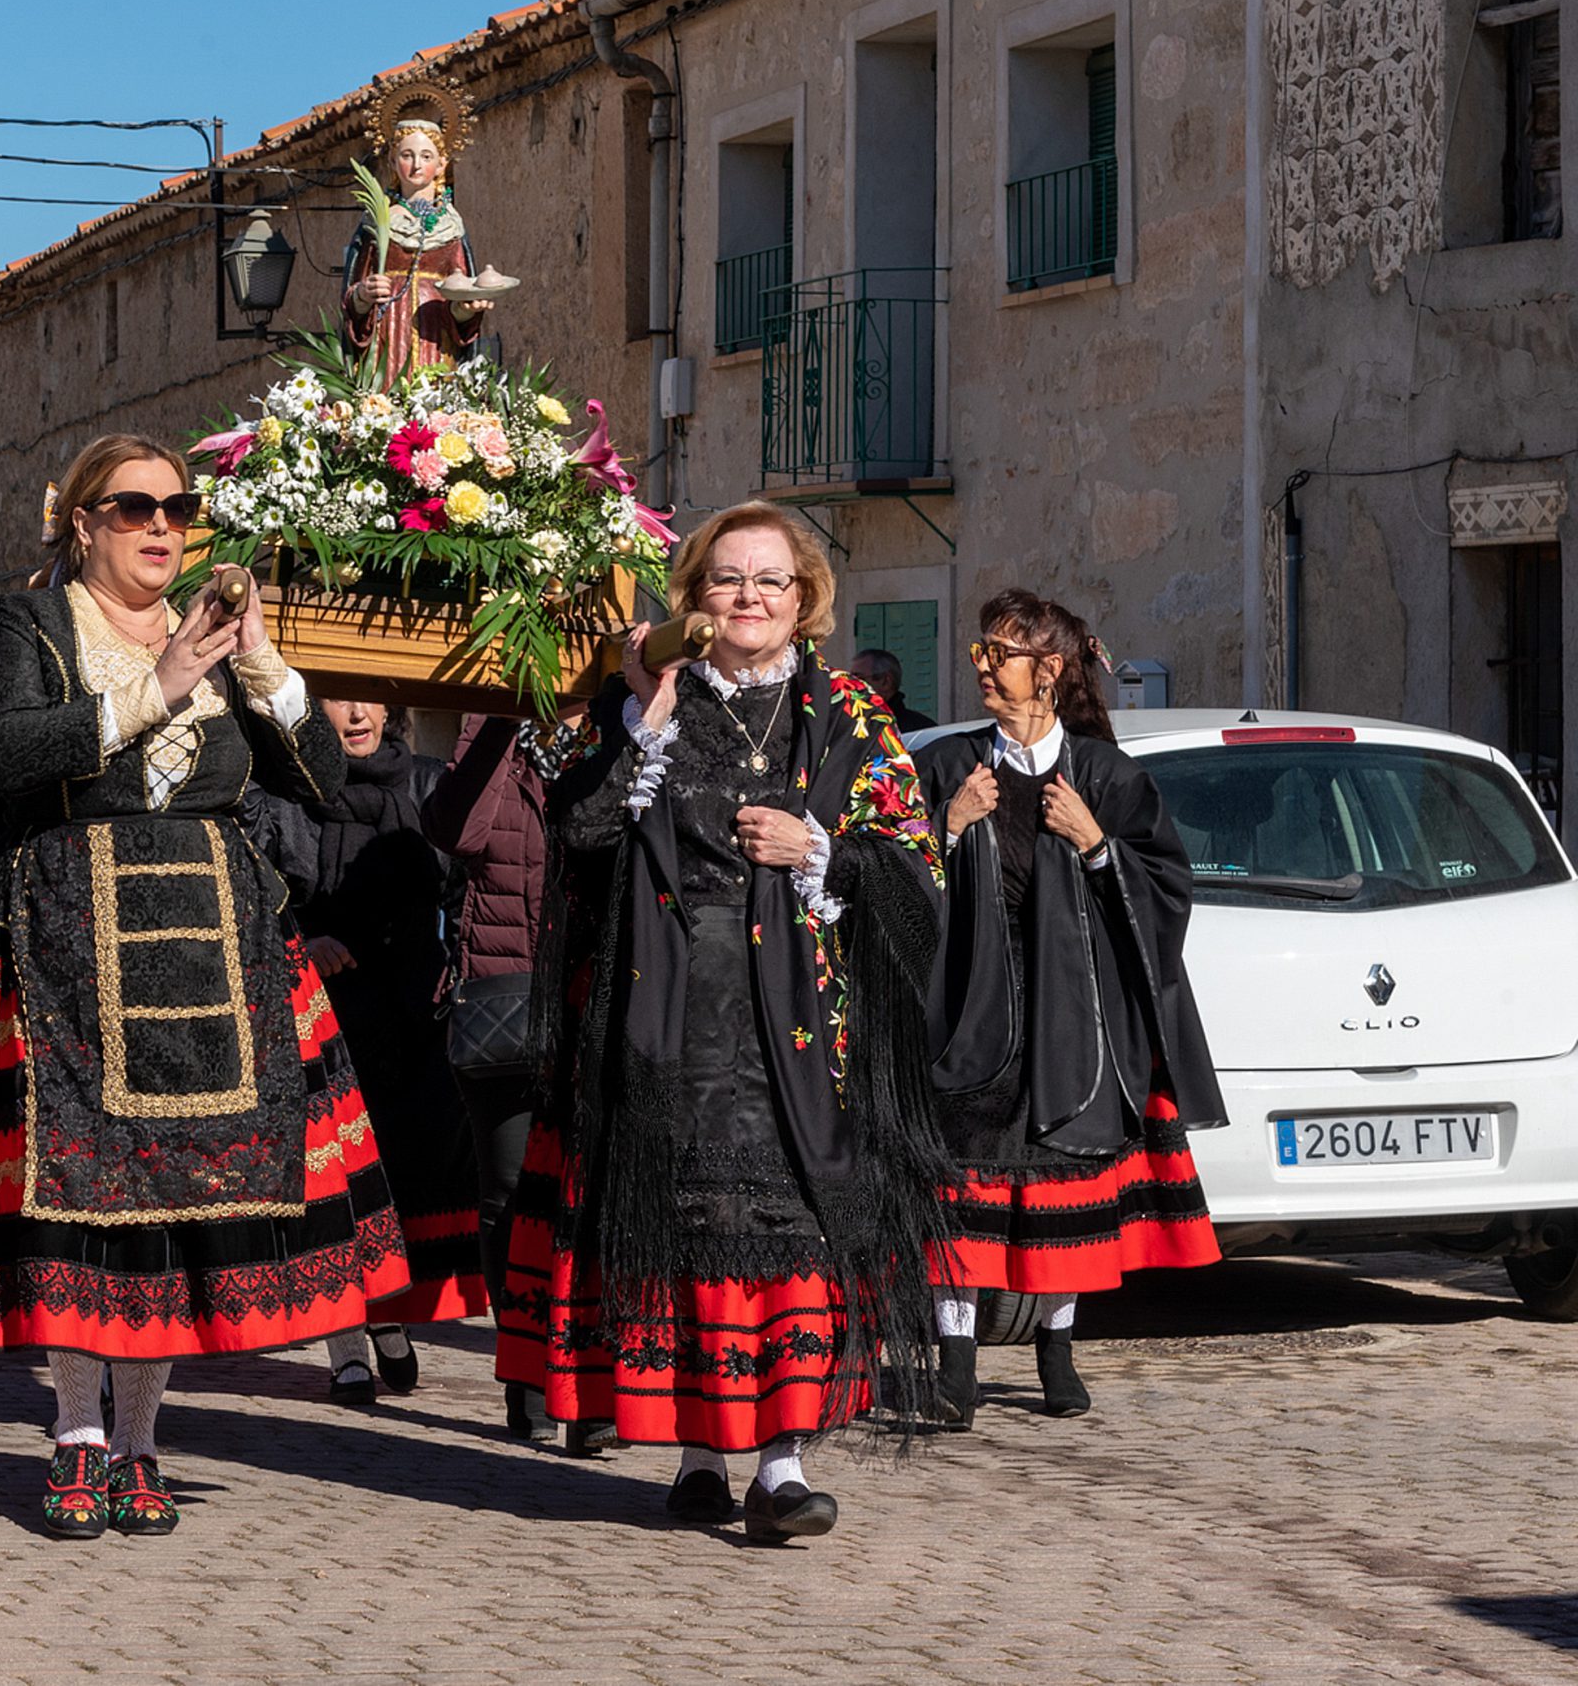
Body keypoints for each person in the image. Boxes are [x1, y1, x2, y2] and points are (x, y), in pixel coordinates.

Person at [0, 433, 411, 1540]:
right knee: (87, 1205)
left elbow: (328, 783)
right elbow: (4, 751)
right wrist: (160, 684)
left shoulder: (225, 642)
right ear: (81, 523)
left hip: (217, 945)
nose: (160, 527)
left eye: (178, 509)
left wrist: (263, 659)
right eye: (132, 507)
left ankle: (141, 1443)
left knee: (182, 1207)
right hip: (67, 942)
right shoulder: (26, 626)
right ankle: (77, 1435)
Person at [497, 500, 955, 1541]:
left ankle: (781, 1465)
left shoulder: (848, 716)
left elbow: (919, 874)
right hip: (665, 1015)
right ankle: (702, 1453)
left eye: (770, 581)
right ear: (694, 595)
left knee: (789, 1230)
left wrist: (819, 849)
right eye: (727, 579)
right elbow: (575, 832)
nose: (749, 597)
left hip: (799, 1029)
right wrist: (637, 731)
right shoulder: (642, 700)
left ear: (804, 601)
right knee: (684, 1227)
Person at [918, 591, 1225, 1426]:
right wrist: (947, 829)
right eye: (980, 650)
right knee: (962, 1190)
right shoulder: (947, 768)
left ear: (1049, 671)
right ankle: (955, 1362)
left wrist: (1096, 844)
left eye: (999, 651)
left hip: (1071, 1013)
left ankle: (1058, 1346)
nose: (981, 663)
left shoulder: (1106, 777)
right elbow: (891, 882)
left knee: (1060, 1185)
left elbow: (1168, 892)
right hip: (970, 1012)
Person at [255, 699, 488, 1406]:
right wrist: (300, 940)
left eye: (369, 699)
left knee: (408, 1176)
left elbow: (469, 880)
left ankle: (388, 1315)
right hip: (325, 1009)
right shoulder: (287, 792)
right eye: (339, 697)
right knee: (336, 1179)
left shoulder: (426, 785)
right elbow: (260, 886)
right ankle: (347, 1347)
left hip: (416, 1016)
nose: (356, 714)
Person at [422, 710, 577, 1444]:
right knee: (512, 1194)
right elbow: (456, 831)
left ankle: (587, 1378)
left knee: (594, 1197)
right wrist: (503, 725)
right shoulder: (494, 723)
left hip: (598, 993)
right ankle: (525, 1377)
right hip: (505, 991)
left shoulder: (633, 709)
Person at [343, 102, 491, 380]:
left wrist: (464, 308)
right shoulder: (378, 221)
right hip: (386, 333)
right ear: (392, 162)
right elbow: (352, 295)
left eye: (426, 156)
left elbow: (459, 291)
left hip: (434, 334)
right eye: (407, 155)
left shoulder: (452, 225)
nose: (416, 165)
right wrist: (364, 294)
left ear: (441, 164)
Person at [851, 647, 937, 733]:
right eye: (849, 679)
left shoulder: (920, 730)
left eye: (858, 679)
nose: (851, 685)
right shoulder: (850, 725)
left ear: (885, 682)